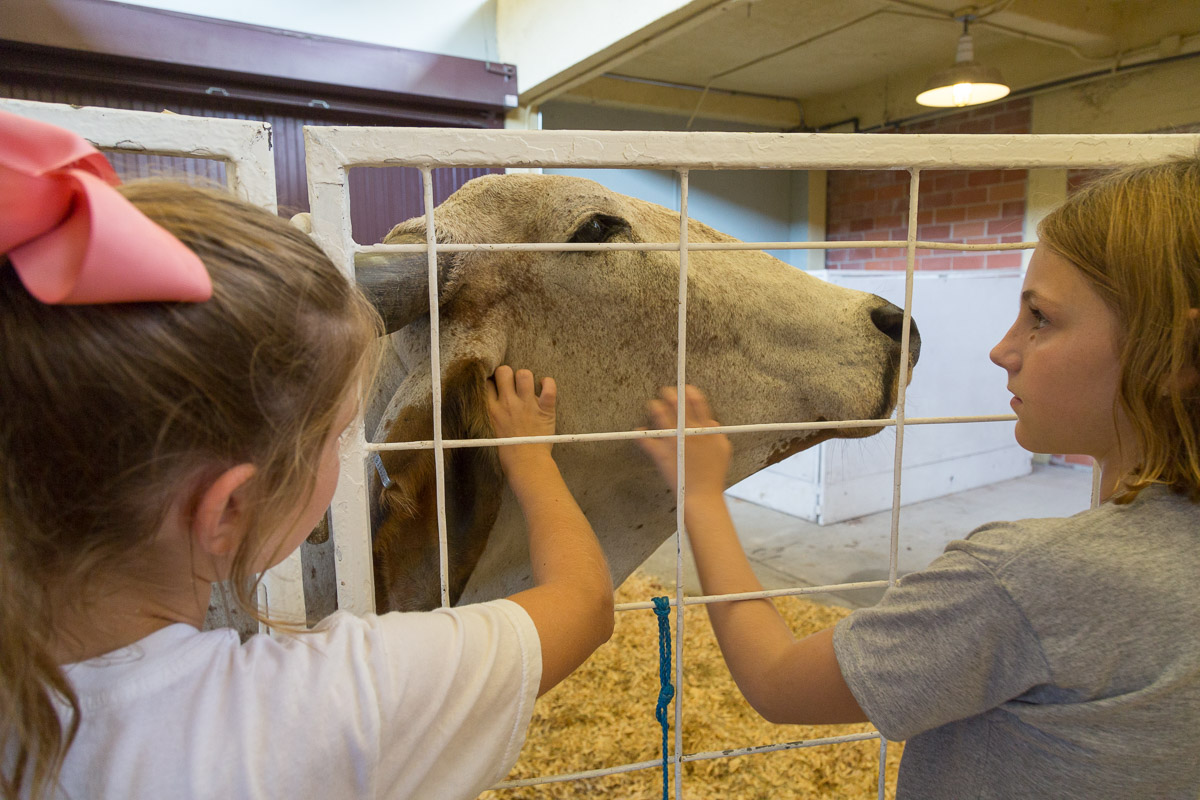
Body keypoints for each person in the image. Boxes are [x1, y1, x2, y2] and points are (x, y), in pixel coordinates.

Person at [0, 110, 613, 800]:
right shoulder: (326, 705)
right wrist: (530, 458)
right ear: (228, 510)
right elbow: (584, 603)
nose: (348, 451)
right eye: (338, 433)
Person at [639, 156, 1200, 798]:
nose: (1002, 350)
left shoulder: (1028, 579)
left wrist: (700, 493)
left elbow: (777, 680)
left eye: (1040, 318)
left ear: (1175, 352)